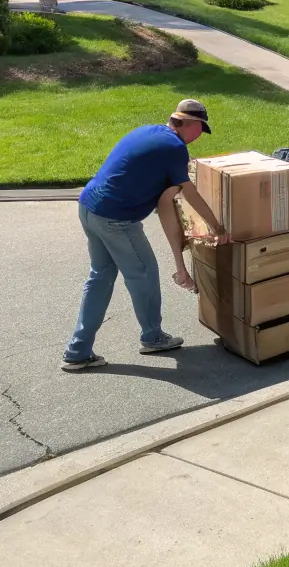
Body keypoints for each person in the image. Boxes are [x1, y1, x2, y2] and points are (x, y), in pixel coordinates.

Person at [62, 99, 226, 371]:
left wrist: (179, 264)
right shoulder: (174, 148)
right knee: (145, 274)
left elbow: (165, 208)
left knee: (100, 277)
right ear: (190, 124)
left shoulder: (149, 132)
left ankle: (78, 350)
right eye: (200, 129)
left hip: (89, 207)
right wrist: (217, 227)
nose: (199, 137)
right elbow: (190, 194)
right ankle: (152, 337)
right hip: (116, 219)